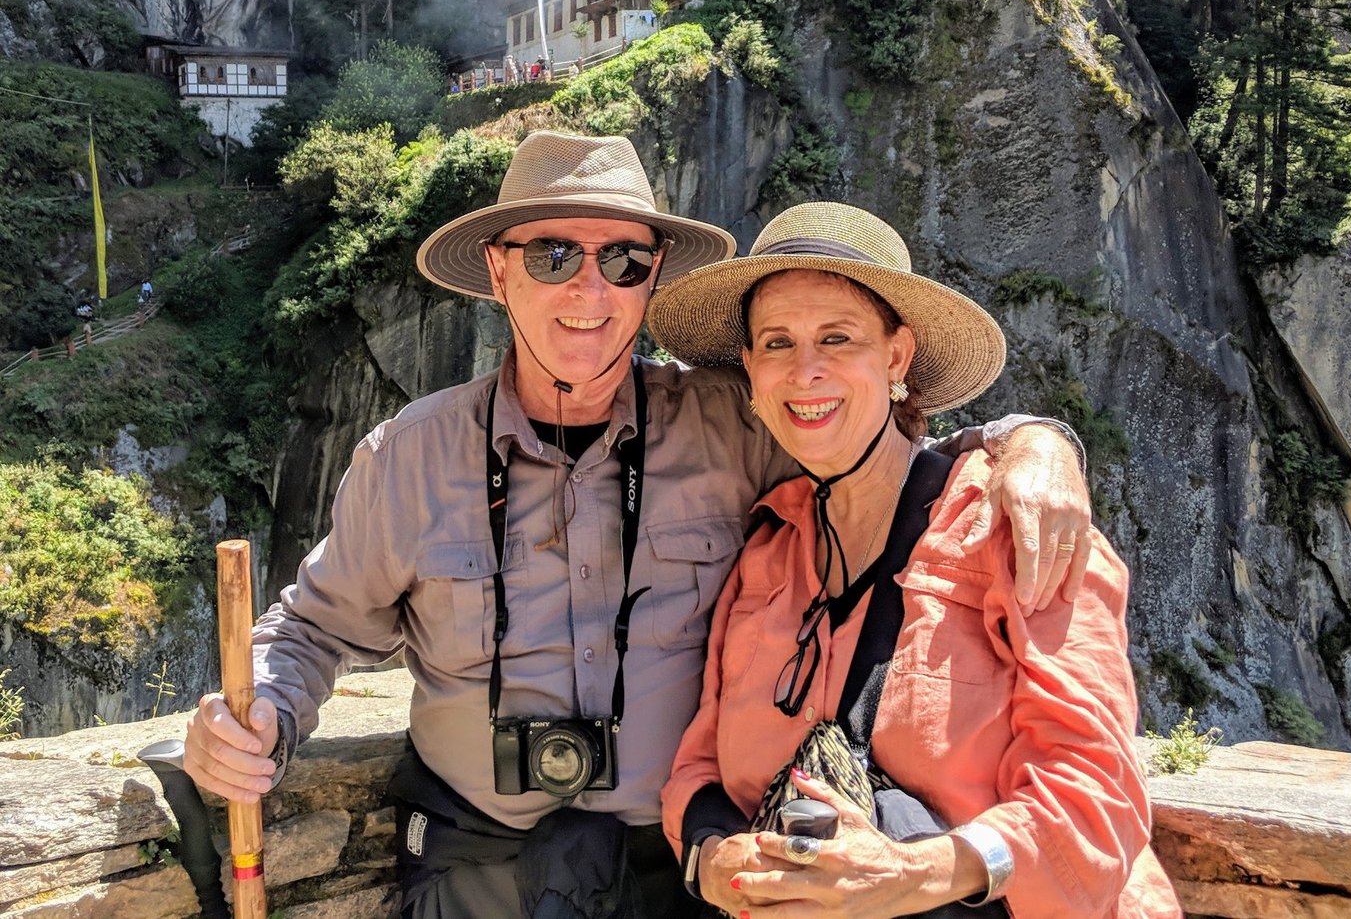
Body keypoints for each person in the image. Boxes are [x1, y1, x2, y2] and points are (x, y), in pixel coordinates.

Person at [181, 131, 1093, 919]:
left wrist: (1034, 440)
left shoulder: (735, 422)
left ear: (652, 275)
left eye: (623, 258)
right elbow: (312, 628)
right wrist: (255, 713)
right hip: (474, 867)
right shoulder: (407, 458)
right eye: (552, 256)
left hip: (676, 869)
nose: (591, 287)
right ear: (499, 270)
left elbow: (882, 437)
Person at [654, 202, 1180, 918]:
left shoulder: (1015, 526)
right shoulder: (768, 550)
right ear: (750, 369)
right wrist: (713, 857)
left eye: (837, 338)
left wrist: (913, 874)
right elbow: (699, 768)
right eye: (777, 343)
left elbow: (1097, 800)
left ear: (896, 356)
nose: (805, 370)